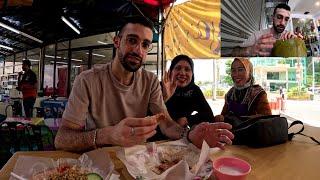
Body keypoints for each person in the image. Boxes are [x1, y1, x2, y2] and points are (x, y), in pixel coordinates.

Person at [54, 17, 234, 152]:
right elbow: (62, 139)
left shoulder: (150, 82)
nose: (138, 50)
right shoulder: (87, 80)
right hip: (101, 160)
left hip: (140, 162)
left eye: (145, 44)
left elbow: (166, 124)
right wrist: (108, 134)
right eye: (132, 40)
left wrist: (188, 134)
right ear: (117, 41)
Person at [162, 54, 215, 128]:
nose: (182, 73)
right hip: (156, 134)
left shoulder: (194, 90)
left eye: (187, 69)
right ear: (171, 71)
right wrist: (165, 97)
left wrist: (188, 120)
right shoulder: (160, 87)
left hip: (179, 134)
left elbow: (209, 116)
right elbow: (147, 113)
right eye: (178, 68)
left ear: (192, 74)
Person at [232, 3, 299, 57]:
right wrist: (250, 50)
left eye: (286, 19)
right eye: (279, 17)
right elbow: (234, 52)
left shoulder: (289, 37)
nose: (282, 23)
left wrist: (298, 44)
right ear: (273, 17)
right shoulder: (258, 35)